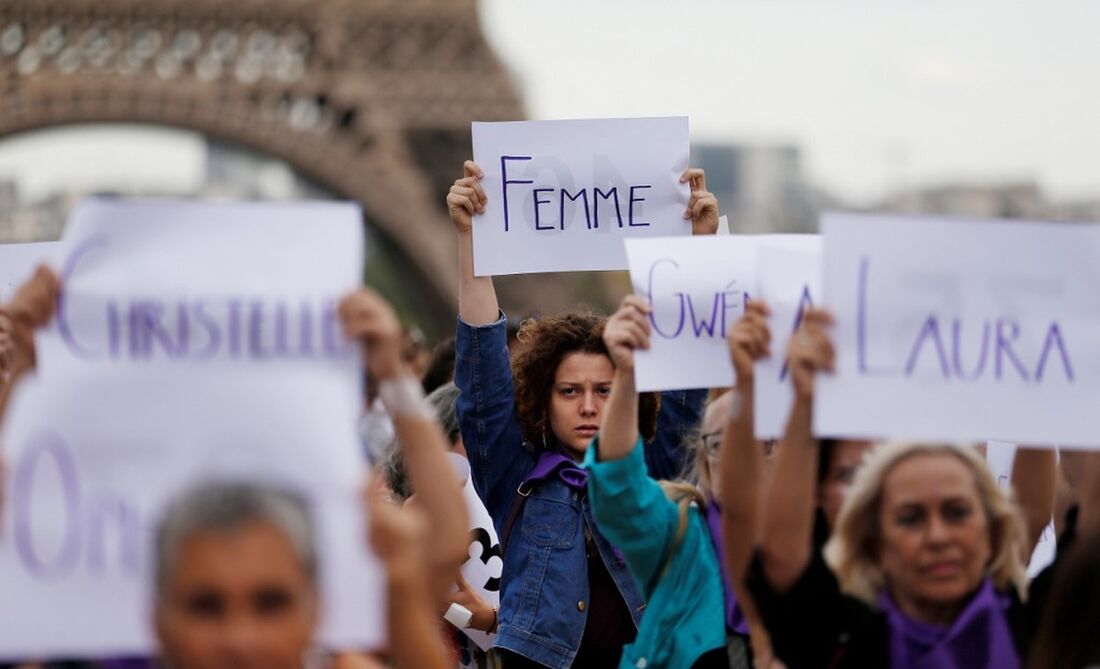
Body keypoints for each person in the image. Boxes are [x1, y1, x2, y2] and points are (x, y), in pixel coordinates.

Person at [448, 160, 718, 668]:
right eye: (570, 390)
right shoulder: (516, 475)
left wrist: (697, 252)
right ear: (540, 400)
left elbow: (687, 380)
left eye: (605, 390)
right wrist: (472, 244)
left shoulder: (655, 475)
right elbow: (482, 371)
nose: (590, 406)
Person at [746, 306, 1060, 669]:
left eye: (957, 512)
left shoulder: (1024, 622)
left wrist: (1039, 381)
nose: (938, 535)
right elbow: (781, 550)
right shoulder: (837, 636)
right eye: (910, 518)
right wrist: (803, 403)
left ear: (993, 527)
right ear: (875, 539)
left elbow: (1032, 513)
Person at [583, 295, 728, 668]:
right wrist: (628, 375)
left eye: (760, 440)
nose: (739, 455)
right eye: (721, 442)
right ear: (702, 461)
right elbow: (618, 487)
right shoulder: (682, 536)